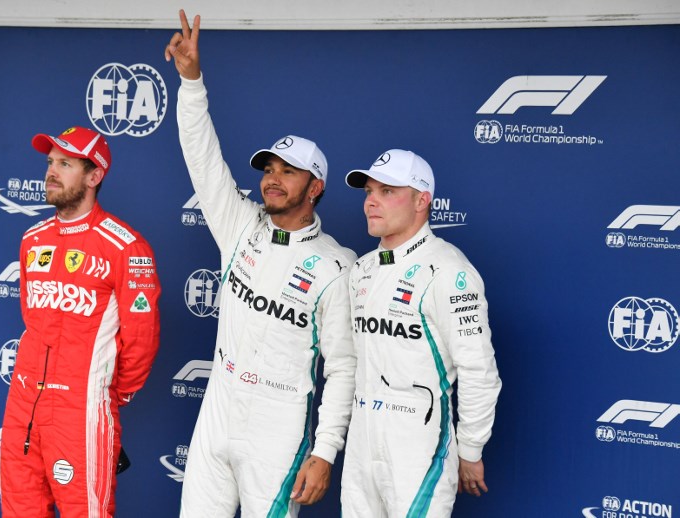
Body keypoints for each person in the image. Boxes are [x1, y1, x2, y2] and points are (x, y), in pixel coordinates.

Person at [165, 10, 357, 517]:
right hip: (219, 407)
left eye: (288, 172)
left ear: (315, 187)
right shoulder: (240, 225)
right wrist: (190, 83)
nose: (272, 179)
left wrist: (324, 451)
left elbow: (342, 368)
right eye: (268, 169)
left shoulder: (336, 266)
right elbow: (202, 159)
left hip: (280, 423)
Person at [0, 126, 162, 517]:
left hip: (81, 408)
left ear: (94, 176)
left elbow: (142, 339)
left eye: (66, 164)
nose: (51, 172)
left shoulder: (125, 246)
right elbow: (31, 315)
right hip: (22, 404)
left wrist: (105, 395)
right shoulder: (32, 238)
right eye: (51, 163)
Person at [340, 149, 501, 517]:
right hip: (362, 443)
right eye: (368, 192)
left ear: (422, 200)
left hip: (418, 445)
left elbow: (479, 370)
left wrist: (470, 449)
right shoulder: (362, 269)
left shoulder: (449, 271)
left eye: (387, 191)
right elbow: (350, 361)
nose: (371, 203)